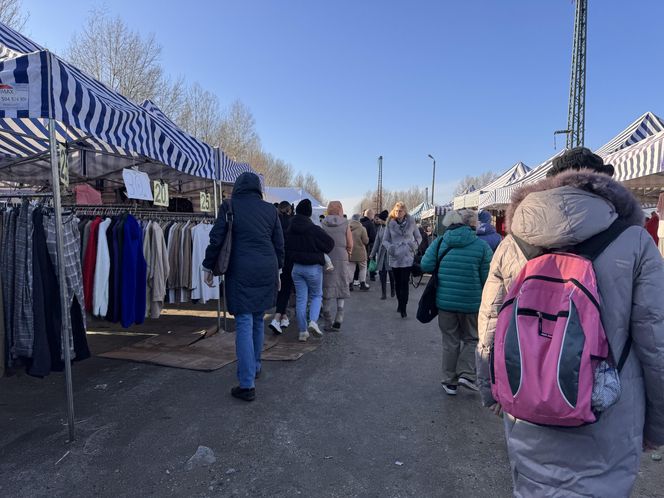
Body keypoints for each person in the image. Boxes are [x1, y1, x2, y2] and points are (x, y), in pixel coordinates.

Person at [476, 147, 664, 496]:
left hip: (526, 400)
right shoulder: (636, 241)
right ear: (605, 183)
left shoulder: (511, 243)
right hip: (608, 409)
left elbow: (489, 324)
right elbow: (656, 343)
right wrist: (657, 424)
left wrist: (491, 391)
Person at [202, 172, 284, 402]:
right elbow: (279, 244)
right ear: (258, 188)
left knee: (244, 322)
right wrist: (279, 271)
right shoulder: (271, 210)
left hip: (241, 269)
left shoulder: (229, 205)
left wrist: (208, 266)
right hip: (267, 267)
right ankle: (255, 366)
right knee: (258, 319)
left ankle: (246, 384)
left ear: (238, 186)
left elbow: (216, 238)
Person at [420, 209, 492, 395]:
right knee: (472, 338)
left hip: (444, 302)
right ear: (473, 225)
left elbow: (425, 266)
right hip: (472, 303)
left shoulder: (440, 242)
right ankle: (466, 374)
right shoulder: (481, 246)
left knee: (450, 341)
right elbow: (488, 279)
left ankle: (449, 381)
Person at [285, 199, 335, 342]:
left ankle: (302, 332)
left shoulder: (289, 228)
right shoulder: (314, 229)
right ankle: (313, 321)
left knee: (301, 299)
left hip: (296, 268)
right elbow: (329, 244)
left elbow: (286, 248)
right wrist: (318, 253)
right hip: (313, 268)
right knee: (316, 296)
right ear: (309, 213)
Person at [382, 201, 421, 318]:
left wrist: (413, 245)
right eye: (397, 211)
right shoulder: (390, 223)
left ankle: (404, 307)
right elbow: (385, 240)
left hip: (407, 257)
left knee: (405, 283)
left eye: (401, 211)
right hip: (395, 257)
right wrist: (391, 248)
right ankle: (400, 302)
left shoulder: (411, 222)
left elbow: (419, 237)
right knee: (397, 283)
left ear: (405, 212)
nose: (398, 213)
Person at [321, 201, 353, 330]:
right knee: (341, 284)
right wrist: (348, 252)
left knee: (327, 286)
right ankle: (339, 315)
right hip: (342, 256)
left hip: (327, 256)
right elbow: (350, 243)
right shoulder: (345, 223)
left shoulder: (323, 223)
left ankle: (327, 318)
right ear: (340, 209)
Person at [269, 200, 294, 334]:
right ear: (289, 209)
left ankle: (283, 317)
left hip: (275, 258)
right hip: (289, 259)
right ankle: (277, 317)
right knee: (285, 288)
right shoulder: (292, 222)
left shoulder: (274, 221)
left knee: (280, 288)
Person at [370, 210, 395, 300]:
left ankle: (393, 289)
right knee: (382, 273)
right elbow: (377, 242)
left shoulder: (392, 227)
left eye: (380, 219)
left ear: (384, 219)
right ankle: (383, 293)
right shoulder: (380, 228)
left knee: (391, 274)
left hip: (390, 254)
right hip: (381, 255)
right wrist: (372, 254)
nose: (378, 221)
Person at [348, 214, 370, 291]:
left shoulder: (347, 228)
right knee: (363, 268)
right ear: (359, 219)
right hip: (361, 252)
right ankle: (362, 284)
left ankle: (350, 284)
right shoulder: (362, 228)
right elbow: (366, 241)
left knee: (351, 268)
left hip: (350, 252)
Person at [360, 209, 377, 281]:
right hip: (368, 246)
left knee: (361, 264)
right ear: (370, 215)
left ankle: (358, 279)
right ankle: (372, 276)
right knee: (371, 260)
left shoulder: (359, 222)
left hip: (359, 246)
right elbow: (373, 237)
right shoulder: (370, 224)